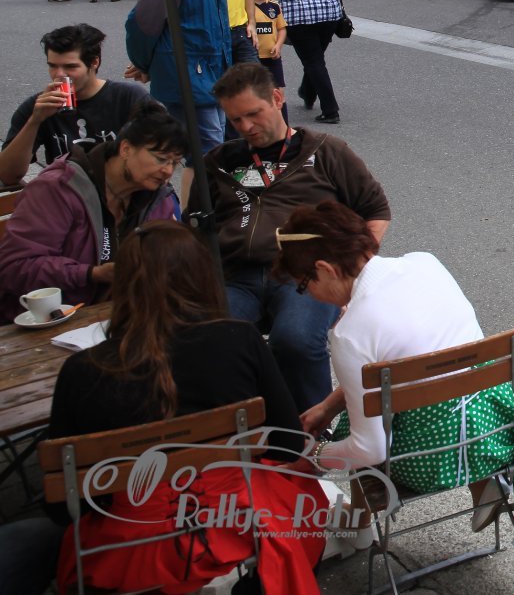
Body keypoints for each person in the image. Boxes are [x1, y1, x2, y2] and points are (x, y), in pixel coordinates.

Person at [278, 201, 514, 571]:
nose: (309, 295)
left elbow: (370, 449)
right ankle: (483, 483)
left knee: (356, 422)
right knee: (386, 397)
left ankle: (359, 525)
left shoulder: (350, 334)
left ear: (325, 269)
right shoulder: (425, 263)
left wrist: (317, 453)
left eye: (304, 286)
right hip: (494, 430)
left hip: (435, 460)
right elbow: (415, 363)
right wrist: (326, 406)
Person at [46, 220, 324, 595]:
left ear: (123, 287)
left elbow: (63, 508)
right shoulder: (240, 340)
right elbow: (288, 444)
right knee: (302, 486)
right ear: (200, 276)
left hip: (128, 544)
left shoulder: (81, 371)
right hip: (234, 522)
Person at [201, 63, 391, 410]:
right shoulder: (218, 161)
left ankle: (311, 427)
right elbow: (195, 227)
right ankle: (240, 426)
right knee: (209, 341)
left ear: (277, 98)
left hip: (303, 275)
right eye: (235, 120)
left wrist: (353, 276)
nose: (246, 127)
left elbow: (376, 210)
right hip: (235, 277)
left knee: (296, 340)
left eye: (253, 114)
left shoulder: (326, 150)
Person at [0, 103, 182, 317]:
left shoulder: (158, 199)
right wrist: (91, 273)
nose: (168, 171)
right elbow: (15, 267)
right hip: (46, 320)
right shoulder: (58, 188)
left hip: (119, 315)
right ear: (125, 149)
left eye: (175, 163)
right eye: (161, 158)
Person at [125, 0, 244, 153]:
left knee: (206, 154)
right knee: (209, 155)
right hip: (191, 78)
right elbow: (142, 25)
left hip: (206, 76)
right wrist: (144, 64)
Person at [1, 24, 151, 187]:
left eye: (70, 66)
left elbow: (160, 157)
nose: (59, 74)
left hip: (125, 192)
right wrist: (34, 121)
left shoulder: (129, 97)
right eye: (52, 66)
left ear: (94, 62)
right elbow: (8, 176)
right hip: (67, 197)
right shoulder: (39, 106)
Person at [248, 0, 290, 122]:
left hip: (272, 57)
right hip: (254, 57)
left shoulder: (274, 6)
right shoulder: (246, 7)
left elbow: (282, 29)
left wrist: (278, 46)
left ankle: (283, 125)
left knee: (278, 92)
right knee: (255, 92)